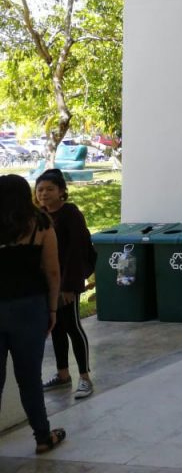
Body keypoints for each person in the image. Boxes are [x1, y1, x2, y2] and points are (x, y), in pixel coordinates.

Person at [0, 174, 66, 454]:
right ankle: (42, 436)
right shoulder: (41, 223)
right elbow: (52, 271)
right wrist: (52, 308)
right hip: (30, 307)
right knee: (29, 379)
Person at [34, 169, 94, 399]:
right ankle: (62, 375)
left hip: (67, 281)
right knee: (56, 327)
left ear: (61, 191)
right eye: (40, 189)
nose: (44, 194)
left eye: (50, 189)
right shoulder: (39, 215)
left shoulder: (70, 214)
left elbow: (77, 251)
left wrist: (69, 286)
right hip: (47, 283)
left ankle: (85, 378)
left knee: (73, 327)